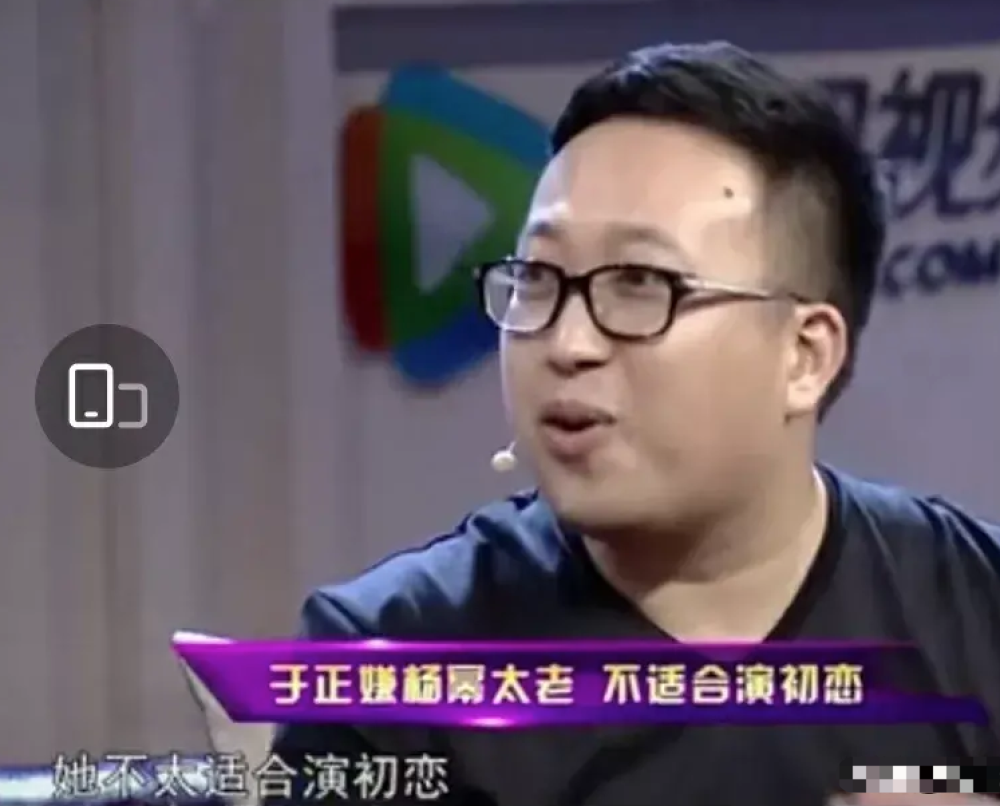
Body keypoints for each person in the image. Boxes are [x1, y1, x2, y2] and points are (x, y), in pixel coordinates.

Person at [268, 41, 1000, 805]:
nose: (568, 343)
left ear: (804, 355)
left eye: (641, 283)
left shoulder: (977, 612)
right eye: (538, 278)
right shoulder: (384, 667)